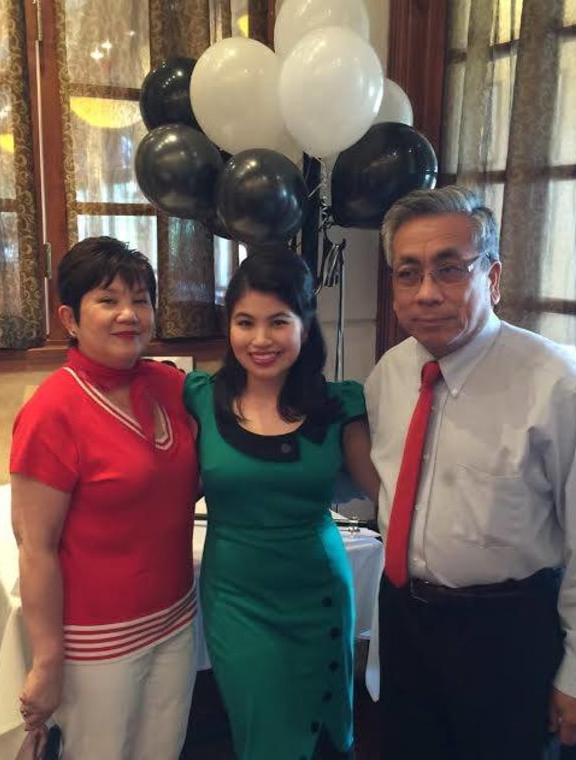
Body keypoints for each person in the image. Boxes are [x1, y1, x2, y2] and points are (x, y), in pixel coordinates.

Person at [364, 186, 576, 759]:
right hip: (407, 625)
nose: (427, 292)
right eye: (407, 273)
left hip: (509, 634)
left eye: (450, 269)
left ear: (492, 277)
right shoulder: (389, 373)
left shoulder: (556, 385)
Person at [183, 248, 379, 760]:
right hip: (238, 598)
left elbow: (387, 492)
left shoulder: (339, 405)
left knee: (326, 736)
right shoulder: (200, 398)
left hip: (318, 592)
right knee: (262, 730)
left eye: (278, 321)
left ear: (306, 325)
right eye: (245, 322)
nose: (261, 339)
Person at [10, 236, 199, 759]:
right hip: (97, 643)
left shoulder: (171, 386)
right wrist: (47, 662)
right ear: (70, 318)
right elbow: (35, 547)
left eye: (140, 299)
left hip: (176, 618)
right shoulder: (53, 411)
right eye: (108, 300)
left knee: (164, 751)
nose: (128, 315)